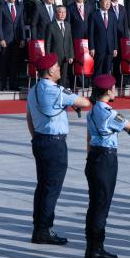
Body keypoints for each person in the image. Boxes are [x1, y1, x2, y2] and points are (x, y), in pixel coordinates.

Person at [27, 53, 90, 246]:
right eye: (56, 66)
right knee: (51, 188)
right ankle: (44, 230)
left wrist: (36, 136)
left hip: (39, 140)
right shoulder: (55, 91)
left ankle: (39, 227)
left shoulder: (34, 90)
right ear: (49, 71)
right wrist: (69, 95)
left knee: (42, 186)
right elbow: (85, 103)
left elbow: (29, 118)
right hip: (54, 143)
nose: (59, 69)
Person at [84, 73, 130, 258]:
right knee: (101, 206)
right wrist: (128, 127)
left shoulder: (93, 111)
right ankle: (96, 249)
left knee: (95, 205)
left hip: (94, 158)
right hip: (105, 160)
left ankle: (92, 247)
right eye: (114, 87)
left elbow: (89, 138)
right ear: (107, 91)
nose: (115, 90)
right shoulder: (109, 112)